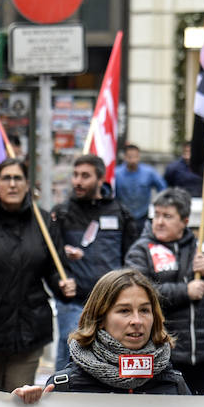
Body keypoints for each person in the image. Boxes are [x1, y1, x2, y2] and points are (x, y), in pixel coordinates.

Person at [12, 268, 204, 407]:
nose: (137, 321)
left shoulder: (174, 387)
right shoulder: (63, 387)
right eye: (124, 311)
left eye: (144, 310)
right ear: (100, 317)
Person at [0, 158, 76, 392]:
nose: (12, 184)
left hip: (29, 329)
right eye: (6, 178)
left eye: (18, 179)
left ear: (27, 184)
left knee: (19, 399)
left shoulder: (44, 221)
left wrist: (63, 285)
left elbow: (55, 270)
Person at [125, 187, 204, 395]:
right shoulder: (141, 250)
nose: (159, 222)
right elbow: (137, 293)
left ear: (185, 221)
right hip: (163, 354)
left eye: (167, 216)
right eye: (156, 215)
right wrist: (184, 291)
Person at [51, 154, 138, 370]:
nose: (78, 181)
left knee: (109, 360)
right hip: (73, 302)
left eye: (85, 176)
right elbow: (49, 258)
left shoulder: (119, 212)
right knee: (70, 354)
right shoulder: (62, 213)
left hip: (111, 303)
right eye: (75, 175)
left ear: (100, 179)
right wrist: (63, 256)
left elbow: (132, 257)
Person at [113, 144, 166, 221]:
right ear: (124, 157)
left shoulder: (149, 172)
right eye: (130, 157)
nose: (133, 160)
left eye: (135, 156)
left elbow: (162, 188)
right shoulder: (116, 174)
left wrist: (158, 205)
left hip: (143, 214)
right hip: (122, 215)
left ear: (139, 157)